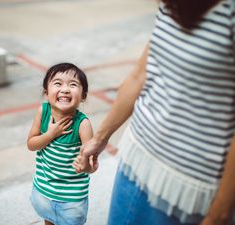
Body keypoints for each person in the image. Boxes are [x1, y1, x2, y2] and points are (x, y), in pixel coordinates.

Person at [73, 0, 235, 224]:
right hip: (136, 159)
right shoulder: (173, 4)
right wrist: (100, 138)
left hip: (188, 187)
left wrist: (219, 214)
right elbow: (140, 75)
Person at [27, 62, 98, 225]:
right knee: (49, 220)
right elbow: (31, 144)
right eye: (58, 83)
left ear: (83, 95)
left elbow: (91, 165)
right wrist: (51, 134)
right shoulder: (43, 112)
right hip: (44, 190)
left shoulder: (83, 124)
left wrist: (86, 166)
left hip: (71, 199)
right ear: (46, 92)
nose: (65, 89)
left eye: (73, 85)